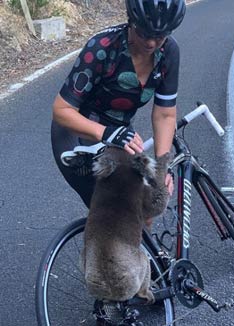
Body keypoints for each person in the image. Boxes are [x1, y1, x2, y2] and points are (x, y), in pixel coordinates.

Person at [51, 0, 186, 214]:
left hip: (120, 133)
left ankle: (141, 247)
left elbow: (164, 114)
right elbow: (61, 110)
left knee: (146, 204)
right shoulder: (102, 48)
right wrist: (106, 133)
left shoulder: (169, 52)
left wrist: (162, 168)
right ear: (131, 21)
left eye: (159, 36)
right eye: (143, 33)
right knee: (114, 209)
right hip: (77, 133)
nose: (151, 43)